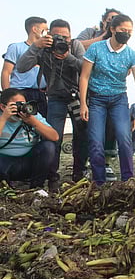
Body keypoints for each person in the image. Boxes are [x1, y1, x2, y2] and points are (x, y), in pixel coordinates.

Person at [79, 14, 135, 185]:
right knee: (96, 139)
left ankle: (128, 179)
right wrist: (83, 103)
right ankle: (98, 181)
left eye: (130, 31)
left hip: (118, 99)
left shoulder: (131, 54)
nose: (126, 34)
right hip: (97, 99)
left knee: (124, 137)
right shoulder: (96, 49)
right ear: (112, 29)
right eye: (123, 30)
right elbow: (84, 76)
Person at [16, 19, 89, 187]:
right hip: (56, 97)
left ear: (71, 36)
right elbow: (21, 67)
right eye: (57, 36)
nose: (62, 40)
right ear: (49, 35)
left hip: (77, 97)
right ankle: (53, 176)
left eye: (65, 37)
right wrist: (36, 46)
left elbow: (84, 69)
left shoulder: (76, 46)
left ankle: (79, 173)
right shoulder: (43, 49)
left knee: (82, 135)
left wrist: (67, 56)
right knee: (54, 136)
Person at [77, 8, 122, 181]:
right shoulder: (90, 32)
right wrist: (103, 37)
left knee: (110, 126)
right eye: (110, 19)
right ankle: (84, 165)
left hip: (109, 90)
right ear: (104, 20)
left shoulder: (120, 41)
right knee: (85, 126)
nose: (113, 22)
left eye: (116, 20)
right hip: (86, 86)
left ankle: (107, 163)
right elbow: (76, 45)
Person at [0, 88, 58, 189]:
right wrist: (3, 119)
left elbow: (55, 136)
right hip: (5, 162)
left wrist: (33, 122)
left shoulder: (32, 116)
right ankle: (5, 185)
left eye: (23, 104)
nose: (20, 108)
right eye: (16, 105)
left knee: (48, 146)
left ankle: (37, 187)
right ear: (3, 106)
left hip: (28, 160)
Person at [1, 17, 48, 116]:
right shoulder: (16, 47)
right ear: (34, 29)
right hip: (20, 92)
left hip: (40, 93)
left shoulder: (46, 50)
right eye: (45, 30)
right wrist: (7, 97)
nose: (47, 33)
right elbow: (6, 72)